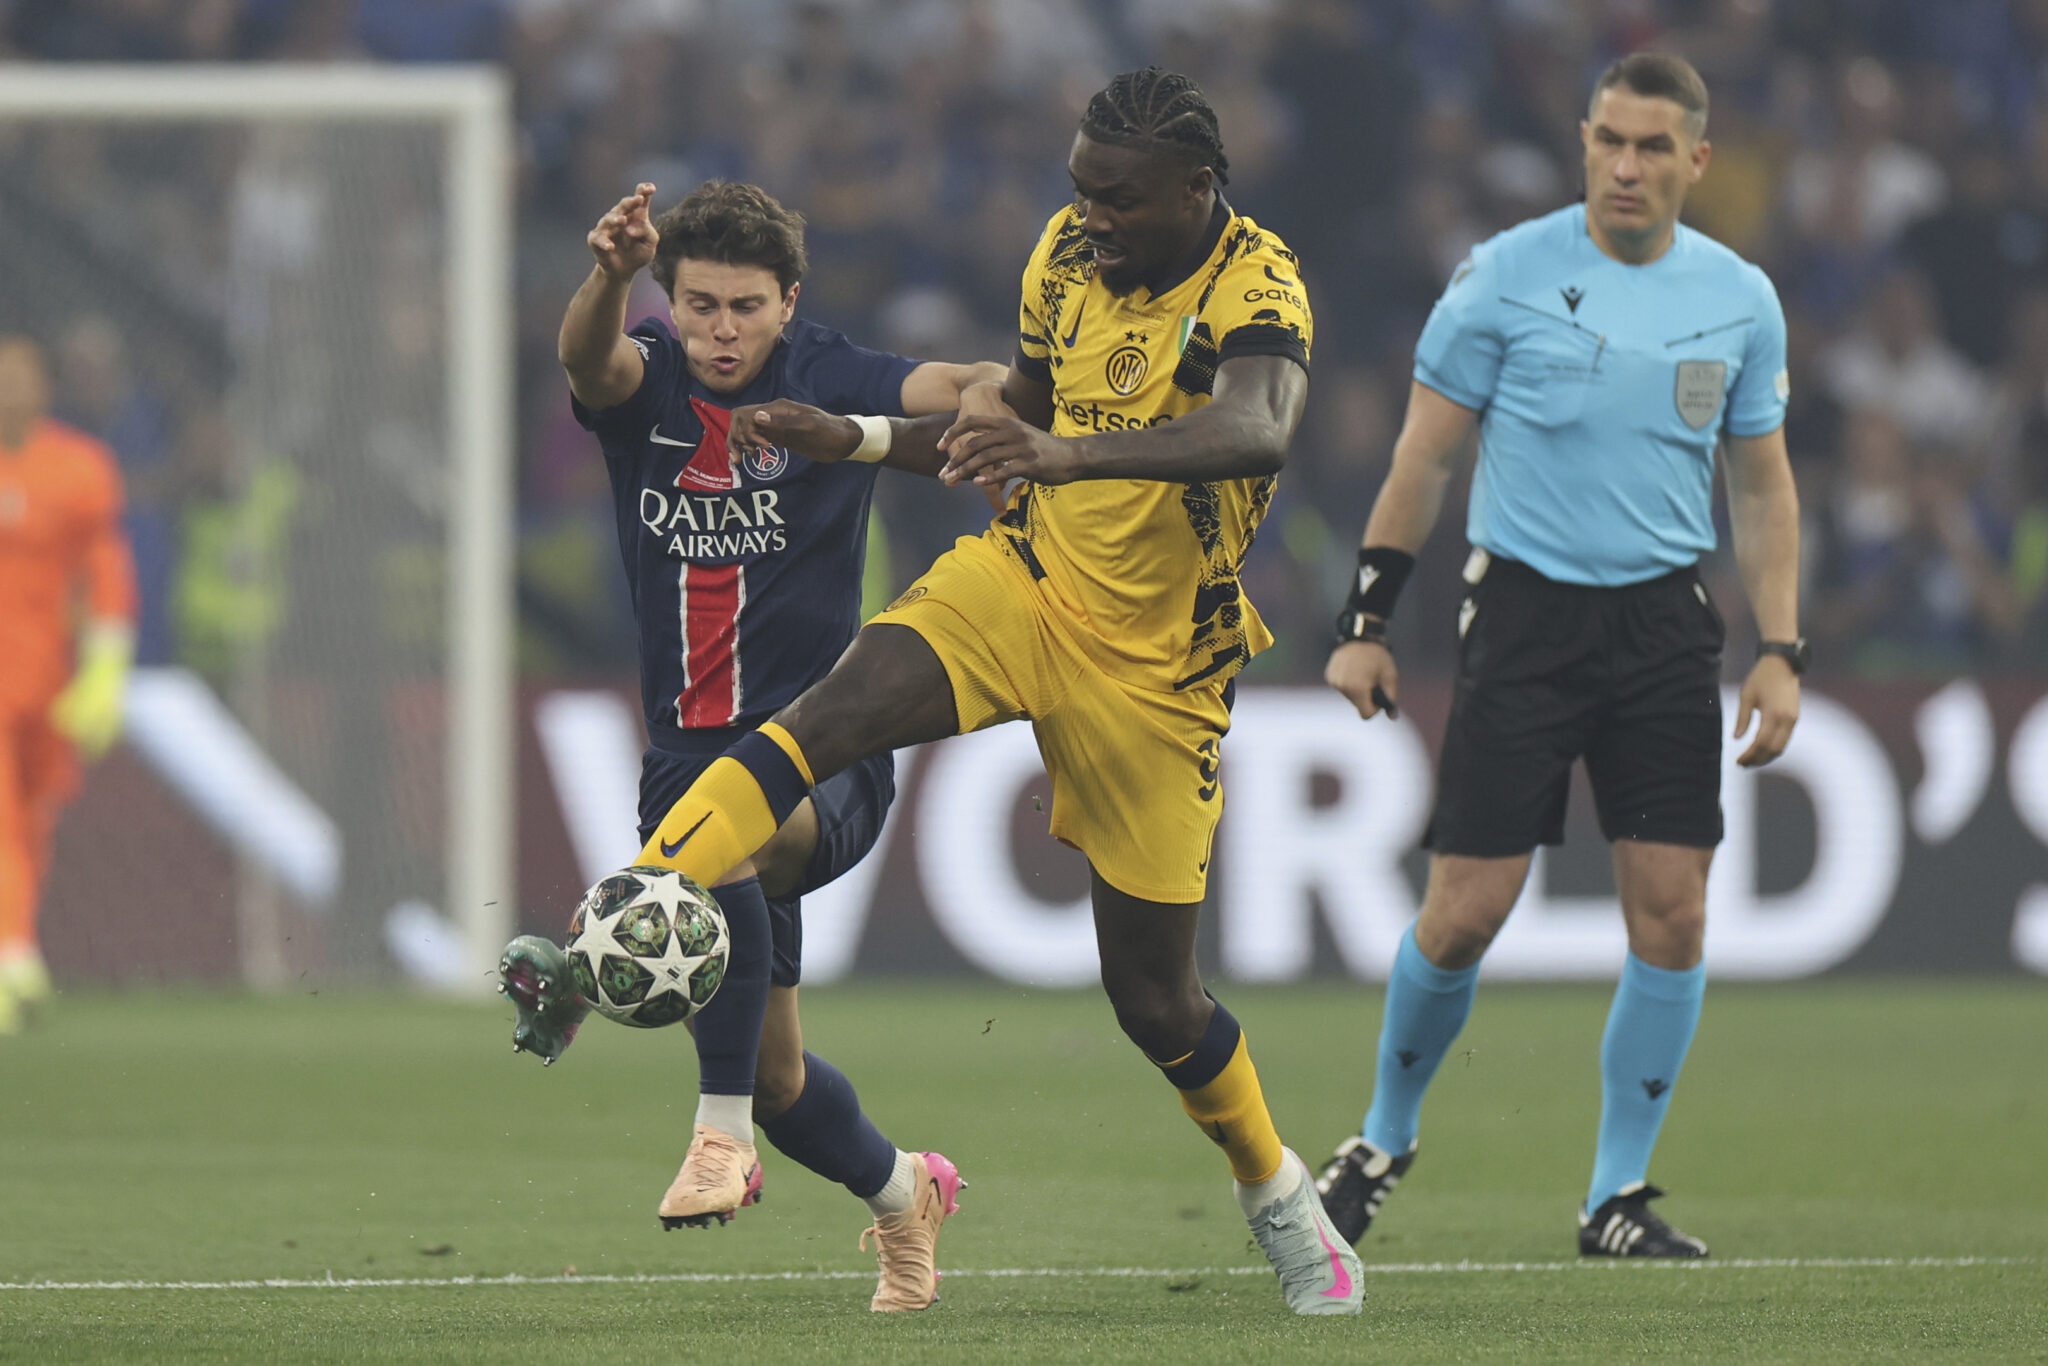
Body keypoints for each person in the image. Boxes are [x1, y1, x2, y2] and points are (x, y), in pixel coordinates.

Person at [623, 67, 1365, 1317]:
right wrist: (855, 438)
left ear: (1196, 188)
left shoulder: (1254, 281)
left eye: (1117, 198)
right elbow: (1001, 424)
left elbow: (1257, 427)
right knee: (813, 721)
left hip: (1157, 668)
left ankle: (1276, 1190)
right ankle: (635, 921)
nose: (1090, 217)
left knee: (1155, 1002)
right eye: (1079, 189)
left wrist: (1064, 451)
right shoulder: (1064, 258)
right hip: (1022, 583)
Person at [1311, 52, 1803, 1259]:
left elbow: (1760, 485)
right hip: (1524, 618)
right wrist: (1365, 623)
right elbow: (1423, 456)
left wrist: (1780, 647)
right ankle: (1379, 1139)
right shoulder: (1501, 277)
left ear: (1696, 160)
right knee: (1464, 912)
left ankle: (1613, 1196)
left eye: (1650, 146)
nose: (1624, 166)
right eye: (1607, 141)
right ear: (1582, 141)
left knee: (1672, 912)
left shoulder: (1738, 297)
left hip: (1662, 624)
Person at [498, 179, 1004, 1311]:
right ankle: (906, 1194)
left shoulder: (829, 373)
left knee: (715, 849)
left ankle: (714, 1130)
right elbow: (585, 361)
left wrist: (987, 392)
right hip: (680, 760)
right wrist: (608, 274)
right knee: (780, 1078)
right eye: (700, 305)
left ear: (789, 303)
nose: (721, 330)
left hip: (826, 755)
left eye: (745, 307)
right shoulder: (648, 378)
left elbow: (961, 382)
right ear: (670, 302)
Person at [0, 335, 137, 1034]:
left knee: (31, 818)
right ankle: (13, 954)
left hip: (47, 679)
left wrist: (105, 671)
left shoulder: (80, 470)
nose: (10, 389)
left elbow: (104, 568)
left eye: (20, 376)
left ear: (44, 386)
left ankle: (14, 942)